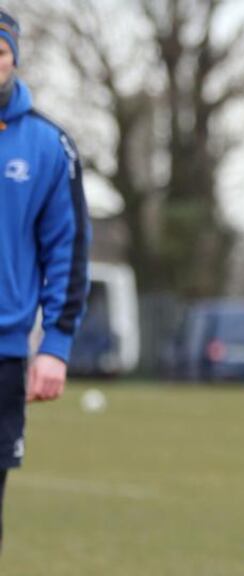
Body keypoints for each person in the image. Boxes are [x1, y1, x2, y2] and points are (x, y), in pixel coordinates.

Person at [0, 7, 91, 552]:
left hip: (5, 355)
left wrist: (55, 344)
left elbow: (70, 251)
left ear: (14, 58)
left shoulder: (49, 146)